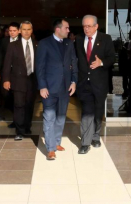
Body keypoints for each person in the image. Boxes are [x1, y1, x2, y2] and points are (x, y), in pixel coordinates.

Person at [35, 19, 78, 160]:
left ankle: (57, 142)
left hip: (65, 88)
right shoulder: (44, 43)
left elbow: (74, 63)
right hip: (49, 88)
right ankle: (50, 148)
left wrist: (74, 81)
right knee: (49, 117)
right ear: (58, 29)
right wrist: (42, 86)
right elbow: (39, 67)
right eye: (66, 28)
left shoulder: (69, 43)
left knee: (60, 117)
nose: (68, 30)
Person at [75, 15, 115, 154]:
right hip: (83, 83)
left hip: (99, 83)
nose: (86, 29)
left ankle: (96, 136)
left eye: (89, 26)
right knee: (87, 112)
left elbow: (112, 58)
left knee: (98, 111)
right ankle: (85, 143)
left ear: (96, 26)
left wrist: (101, 62)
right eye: (84, 26)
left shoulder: (106, 38)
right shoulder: (79, 39)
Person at [2, 21, 38, 140]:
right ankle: (19, 130)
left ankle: (27, 126)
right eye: (24, 29)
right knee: (18, 105)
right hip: (17, 80)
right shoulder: (13, 45)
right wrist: (6, 79)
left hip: (32, 79)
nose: (26, 32)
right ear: (20, 31)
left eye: (29, 29)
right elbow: (7, 64)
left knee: (29, 105)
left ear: (31, 31)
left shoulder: (37, 44)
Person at [0, 22, 20, 128]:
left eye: (14, 31)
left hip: (18, 73)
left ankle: (17, 120)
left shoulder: (22, 41)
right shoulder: (4, 41)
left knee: (17, 96)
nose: (12, 33)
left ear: (19, 31)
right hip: (6, 72)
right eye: (10, 31)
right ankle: (3, 113)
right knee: (5, 94)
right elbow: (0, 56)